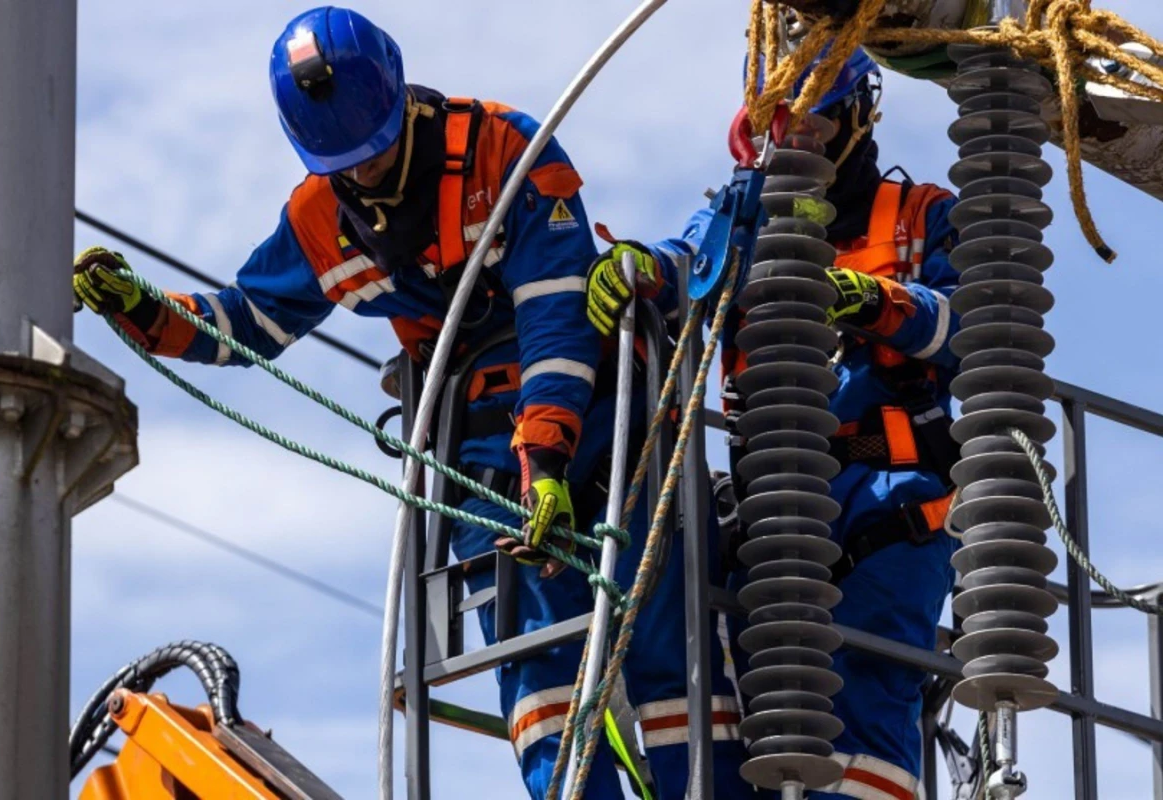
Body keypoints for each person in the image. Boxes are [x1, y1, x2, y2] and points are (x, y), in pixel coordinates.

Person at [72, 8, 752, 798]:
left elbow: (555, 310)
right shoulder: (320, 219)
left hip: (610, 417)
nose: (363, 174)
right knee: (537, 673)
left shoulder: (506, 148)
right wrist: (146, 309)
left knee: (672, 653)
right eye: (344, 163)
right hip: (483, 454)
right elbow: (247, 322)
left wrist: (548, 450)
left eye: (374, 151)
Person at [592, 47, 962, 798]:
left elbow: (980, 335)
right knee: (726, 688)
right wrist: (640, 269)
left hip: (892, 505)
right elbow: (686, 261)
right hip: (775, 511)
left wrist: (878, 303)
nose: (799, 147)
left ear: (861, 117)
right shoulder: (742, 216)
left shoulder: (921, 217)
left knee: (867, 703)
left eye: (819, 128)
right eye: (781, 128)